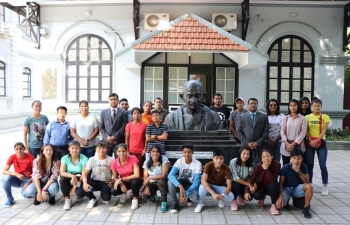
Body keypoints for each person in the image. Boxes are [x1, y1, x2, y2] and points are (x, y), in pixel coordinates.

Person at [276, 149, 313, 218]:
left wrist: (298, 171)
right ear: (291, 158)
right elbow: (281, 183)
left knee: (309, 186)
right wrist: (280, 196)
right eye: (294, 158)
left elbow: (307, 181)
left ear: (302, 159)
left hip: (297, 188)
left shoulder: (304, 166)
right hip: (287, 189)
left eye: (299, 158)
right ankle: (287, 201)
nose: (296, 161)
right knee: (280, 206)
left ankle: (306, 208)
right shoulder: (285, 167)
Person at [305, 97, 330, 195]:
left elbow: (324, 130)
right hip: (309, 142)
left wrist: (317, 140)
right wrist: (311, 140)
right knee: (310, 165)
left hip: (321, 142)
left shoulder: (325, 117)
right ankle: (310, 184)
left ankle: (325, 186)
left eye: (318, 106)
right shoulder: (307, 117)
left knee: (323, 165)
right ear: (311, 107)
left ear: (321, 107)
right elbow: (306, 130)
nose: (316, 108)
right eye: (314, 106)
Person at [168, 142, 202, 214]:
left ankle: (189, 198)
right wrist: (180, 186)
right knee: (170, 182)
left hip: (190, 184)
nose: (187, 154)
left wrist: (185, 194)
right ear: (182, 153)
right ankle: (175, 204)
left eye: (189, 152)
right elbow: (170, 175)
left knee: (195, 197)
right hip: (181, 182)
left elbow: (196, 182)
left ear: (192, 153)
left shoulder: (197, 164)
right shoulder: (179, 161)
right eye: (185, 152)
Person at [244, 149, 281, 215]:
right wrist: (246, 191)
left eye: (268, 156)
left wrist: (266, 169)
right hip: (262, 186)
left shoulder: (277, 165)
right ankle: (262, 197)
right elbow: (251, 179)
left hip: (272, 186)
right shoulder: (258, 166)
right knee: (256, 195)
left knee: (274, 185)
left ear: (272, 157)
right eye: (263, 157)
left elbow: (274, 179)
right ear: (261, 159)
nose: (266, 158)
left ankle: (273, 205)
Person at [80, 141, 114, 208]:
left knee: (106, 198)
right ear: (96, 149)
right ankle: (92, 199)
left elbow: (115, 174)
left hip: (106, 181)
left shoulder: (111, 159)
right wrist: (85, 183)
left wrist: (112, 181)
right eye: (99, 148)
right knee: (85, 186)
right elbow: (85, 174)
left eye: (103, 148)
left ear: (107, 149)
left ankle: (103, 194)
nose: (101, 150)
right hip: (94, 181)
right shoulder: (91, 159)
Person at [236, 98, 269, 165]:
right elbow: (238, 130)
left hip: (259, 145)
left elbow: (266, 131)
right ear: (248, 105)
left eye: (255, 103)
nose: (253, 105)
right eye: (251, 103)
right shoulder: (242, 116)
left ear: (257, 105)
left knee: (259, 165)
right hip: (246, 145)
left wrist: (258, 142)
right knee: (245, 163)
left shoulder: (264, 116)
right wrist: (247, 142)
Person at [1, 142, 35, 207]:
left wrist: (28, 182)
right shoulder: (12, 157)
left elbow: (35, 173)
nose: (19, 151)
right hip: (17, 179)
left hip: (27, 180)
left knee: (26, 194)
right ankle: (10, 198)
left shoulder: (30, 158)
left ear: (24, 149)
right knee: (5, 179)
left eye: (21, 149)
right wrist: (16, 174)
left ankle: (31, 191)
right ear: (14, 150)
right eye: (16, 149)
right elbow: (4, 171)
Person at [110, 144, 143, 210]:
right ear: (116, 152)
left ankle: (135, 199)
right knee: (113, 191)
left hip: (134, 180)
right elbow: (115, 177)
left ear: (127, 151)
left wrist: (121, 179)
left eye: (123, 151)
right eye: (119, 151)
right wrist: (121, 183)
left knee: (135, 182)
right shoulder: (114, 162)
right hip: (124, 181)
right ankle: (123, 193)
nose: (121, 153)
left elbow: (136, 175)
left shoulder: (133, 158)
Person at [59, 140, 88, 210]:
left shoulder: (84, 158)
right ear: (69, 149)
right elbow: (62, 172)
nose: (74, 150)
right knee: (62, 179)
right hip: (70, 177)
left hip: (80, 178)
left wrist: (74, 187)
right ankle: (67, 200)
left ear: (79, 149)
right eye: (72, 148)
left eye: (76, 148)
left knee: (80, 193)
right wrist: (72, 176)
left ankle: (78, 194)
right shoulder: (65, 158)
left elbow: (84, 175)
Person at [142, 144, 170, 213]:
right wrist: (146, 187)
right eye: (153, 151)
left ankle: (164, 203)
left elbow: (163, 175)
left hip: (162, 181)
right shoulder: (147, 161)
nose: (155, 153)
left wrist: (149, 178)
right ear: (150, 153)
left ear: (160, 153)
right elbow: (145, 177)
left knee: (161, 182)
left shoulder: (164, 160)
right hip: (151, 183)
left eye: (157, 152)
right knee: (144, 196)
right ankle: (153, 195)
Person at [99, 93, 128, 157]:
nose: (113, 101)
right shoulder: (103, 112)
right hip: (106, 142)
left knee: (119, 161)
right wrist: (107, 137)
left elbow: (124, 127)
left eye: (115, 99)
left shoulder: (123, 112)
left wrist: (114, 137)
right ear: (108, 101)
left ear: (118, 100)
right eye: (111, 99)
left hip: (118, 141)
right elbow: (101, 127)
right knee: (105, 161)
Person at [280, 99, 307, 165]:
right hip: (286, 145)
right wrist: (287, 144)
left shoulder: (302, 118)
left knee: (298, 164)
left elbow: (303, 132)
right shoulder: (285, 118)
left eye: (294, 105)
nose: (292, 107)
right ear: (289, 107)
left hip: (298, 145)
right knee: (286, 165)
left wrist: (293, 144)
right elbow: (282, 131)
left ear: (298, 106)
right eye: (291, 105)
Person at [125, 107, 147, 174]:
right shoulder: (129, 125)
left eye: (138, 113)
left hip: (141, 150)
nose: (136, 115)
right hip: (131, 150)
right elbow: (127, 138)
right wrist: (127, 150)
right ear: (132, 115)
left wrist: (145, 149)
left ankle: (140, 182)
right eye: (134, 113)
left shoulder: (144, 125)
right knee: (131, 167)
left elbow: (146, 138)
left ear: (140, 114)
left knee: (140, 167)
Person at [265, 98, 284, 163]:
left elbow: (283, 129)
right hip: (267, 142)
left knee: (276, 160)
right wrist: (269, 140)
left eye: (275, 105)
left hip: (278, 141)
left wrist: (275, 141)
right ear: (268, 106)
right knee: (267, 160)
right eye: (271, 105)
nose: (273, 106)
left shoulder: (282, 116)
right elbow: (263, 129)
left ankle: (275, 173)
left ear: (277, 106)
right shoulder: (264, 116)